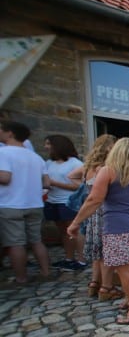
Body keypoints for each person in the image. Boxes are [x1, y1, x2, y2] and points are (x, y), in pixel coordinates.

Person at [67, 137, 129, 325]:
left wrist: (76, 223)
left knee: (124, 270)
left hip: (119, 226)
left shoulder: (108, 171)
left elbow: (93, 200)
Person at [67, 134, 123, 300]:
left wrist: (86, 188)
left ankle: (94, 284)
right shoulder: (105, 167)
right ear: (108, 147)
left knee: (97, 251)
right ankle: (107, 288)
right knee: (106, 251)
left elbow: (70, 176)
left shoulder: (88, 166)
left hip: (92, 214)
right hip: (104, 211)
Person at [0, 120, 51, 285]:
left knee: (16, 243)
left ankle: (21, 277)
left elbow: (5, 178)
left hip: (11, 203)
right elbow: (46, 183)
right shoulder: (36, 157)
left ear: (10, 133)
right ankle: (45, 271)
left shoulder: (4, 153)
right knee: (36, 240)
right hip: (34, 203)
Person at [43, 135, 86, 271]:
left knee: (75, 230)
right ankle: (69, 258)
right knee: (63, 232)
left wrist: (55, 183)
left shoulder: (75, 164)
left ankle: (81, 259)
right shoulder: (49, 163)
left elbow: (81, 186)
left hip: (69, 201)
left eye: (49, 143)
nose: (46, 146)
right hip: (53, 200)